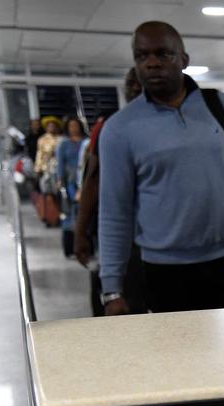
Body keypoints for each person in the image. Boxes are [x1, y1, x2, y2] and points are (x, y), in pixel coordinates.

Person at [98, 20, 224, 315]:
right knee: (178, 359)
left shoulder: (221, 108)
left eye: (163, 54)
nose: (152, 63)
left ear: (184, 60)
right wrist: (111, 289)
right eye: (142, 56)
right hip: (165, 274)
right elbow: (113, 214)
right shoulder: (120, 130)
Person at [74, 68, 147, 316]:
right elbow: (93, 181)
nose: (135, 88)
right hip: (123, 236)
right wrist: (81, 229)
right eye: (130, 83)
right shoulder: (112, 126)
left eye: (140, 83)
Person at [56, 115, 87, 257]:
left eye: (76, 125)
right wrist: (60, 179)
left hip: (85, 179)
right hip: (71, 180)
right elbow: (61, 163)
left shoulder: (86, 142)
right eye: (71, 126)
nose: (74, 128)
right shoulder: (64, 144)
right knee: (70, 211)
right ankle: (70, 247)